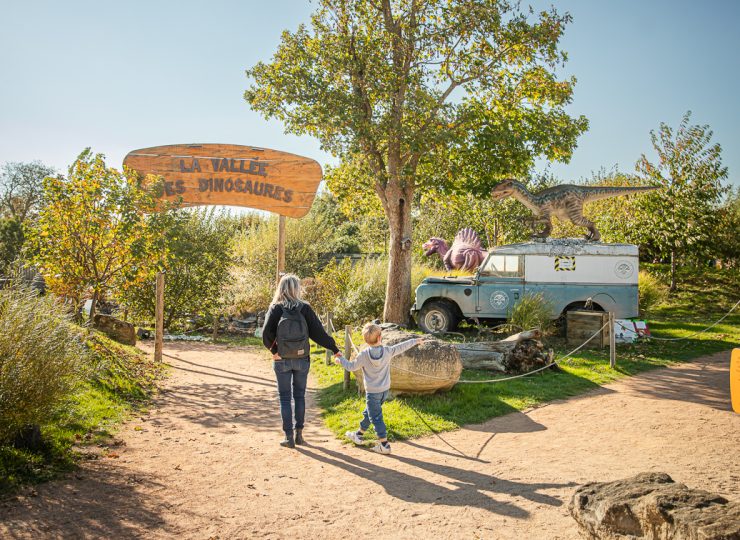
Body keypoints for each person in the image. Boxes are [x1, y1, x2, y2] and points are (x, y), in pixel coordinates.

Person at [262, 274, 341, 449]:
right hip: (302, 359)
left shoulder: (275, 308)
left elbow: (266, 335)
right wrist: (335, 349)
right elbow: (318, 334)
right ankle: (299, 435)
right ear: (297, 288)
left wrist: (274, 352)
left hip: (281, 359)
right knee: (299, 396)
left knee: (284, 398)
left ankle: (288, 437)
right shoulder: (305, 308)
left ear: (280, 288)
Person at [336, 323, 424, 454]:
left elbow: (351, 366)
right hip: (384, 391)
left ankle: (384, 445)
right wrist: (415, 341)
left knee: (376, 417)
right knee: (369, 413)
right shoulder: (388, 351)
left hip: (372, 393)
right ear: (379, 338)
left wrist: (340, 360)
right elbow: (401, 347)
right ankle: (358, 434)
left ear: (366, 340)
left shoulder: (363, 355)